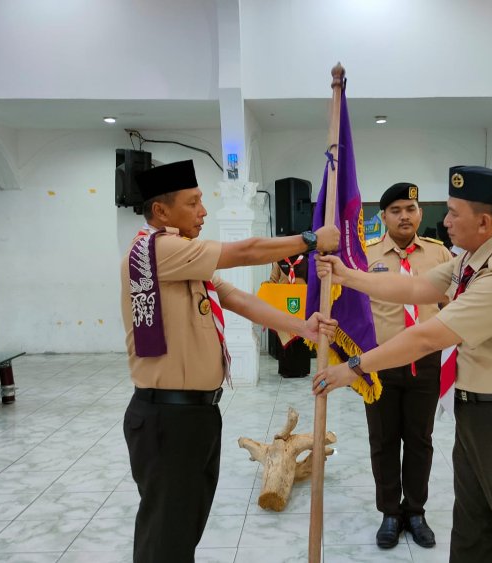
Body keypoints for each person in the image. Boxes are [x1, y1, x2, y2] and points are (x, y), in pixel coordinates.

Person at [313, 166, 492, 562]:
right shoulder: (474, 259)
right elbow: (415, 286)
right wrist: (348, 277)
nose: (445, 220)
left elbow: (426, 337)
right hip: (480, 412)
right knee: (473, 530)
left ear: (484, 221)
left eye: (454, 213)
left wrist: (352, 367)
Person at [120, 159, 339, 563]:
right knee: (166, 532)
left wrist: (301, 327)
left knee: (183, 526)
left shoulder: (182, 257)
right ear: (161, 212)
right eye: (193, 203)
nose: (203, 211)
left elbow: (236, 298)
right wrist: (310, 238)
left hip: (194, 415)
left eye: (202, 201)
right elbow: (247, 251)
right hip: (168, 419)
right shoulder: (159, 250)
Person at [363, 182, 452, 549]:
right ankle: (389, 512)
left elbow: (454, 304)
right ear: (383, 216)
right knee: (383, 440)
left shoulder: (439, 254)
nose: (405, 216)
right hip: (380, 362)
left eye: (411, 209)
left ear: (421, 214)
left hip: (425, 360)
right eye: (396, 210)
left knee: (419, 438)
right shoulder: (365, 256)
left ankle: (415, 510)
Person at [268, 254, 312, 377]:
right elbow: (272, 281)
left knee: (301, 334)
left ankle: (301, 369)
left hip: (301, 305)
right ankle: (287, 370)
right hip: (284, 305)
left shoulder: (306, 261)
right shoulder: (279, 261)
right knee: (286, 334)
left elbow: (311, 282)